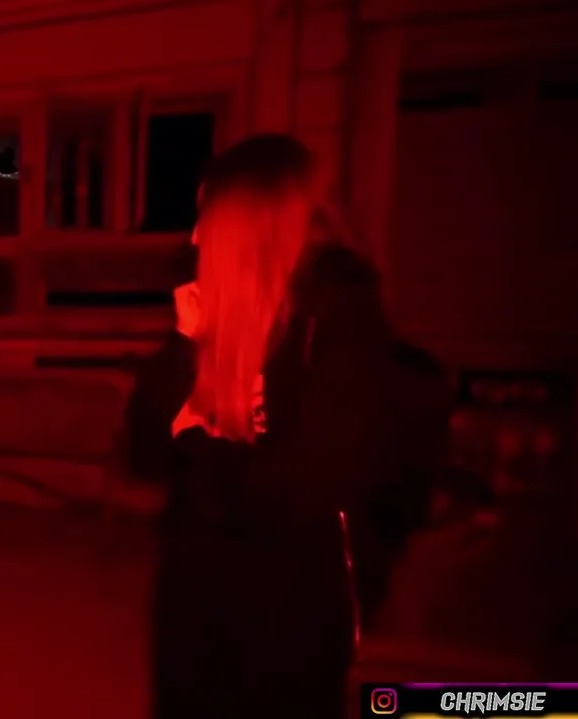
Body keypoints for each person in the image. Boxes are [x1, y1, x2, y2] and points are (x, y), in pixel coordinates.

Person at [150, 133, 420, 719]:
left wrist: (196, 444)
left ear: (253, 224)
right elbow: (147, 440)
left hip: (289, 597)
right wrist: (182, 341)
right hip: (200, 582)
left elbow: (300, 489)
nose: (194, 238)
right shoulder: (216, 307)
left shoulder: (340, 320)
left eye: (207, 218)